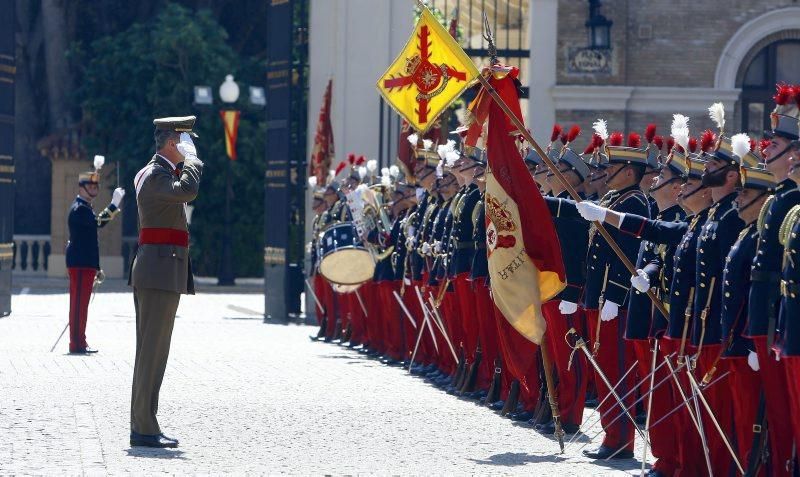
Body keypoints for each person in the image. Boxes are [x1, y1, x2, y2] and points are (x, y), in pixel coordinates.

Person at [129, 116, 203, 448]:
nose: (190, 148)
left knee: (153, 353)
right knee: (151, 353)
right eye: (185, 142)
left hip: (159, 270)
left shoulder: (158, 173)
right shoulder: (156, 175)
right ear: (173, 144)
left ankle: (145, 422)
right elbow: (188, 190)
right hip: (158, 272)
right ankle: (143, 426)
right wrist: (194, 161)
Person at [65, 161, 125, 354]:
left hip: (86, 264)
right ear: (81, 188)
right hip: (80, 264)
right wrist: (114, 205)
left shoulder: (85, 208)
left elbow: (91, 240)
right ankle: (76, 344)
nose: (94, 189)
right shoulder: (79, 209)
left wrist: (96, 266)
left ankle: (80, 341)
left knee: (82, 307)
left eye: (95, 186)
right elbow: (98, 224)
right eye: (90, 186)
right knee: (78, 307)